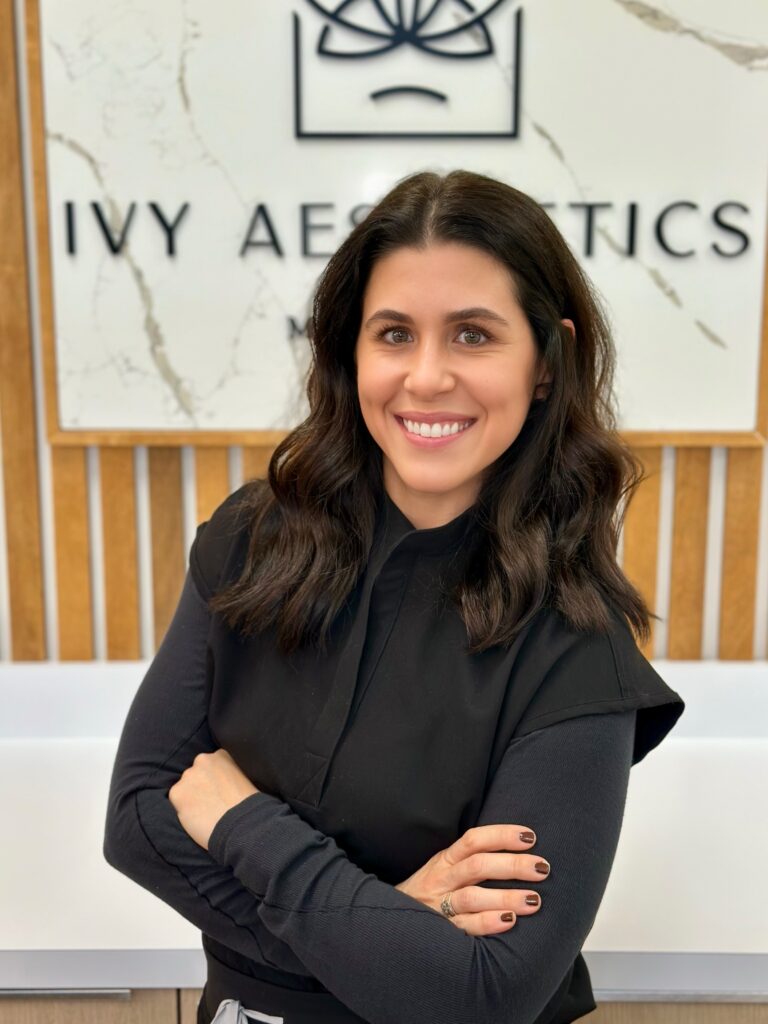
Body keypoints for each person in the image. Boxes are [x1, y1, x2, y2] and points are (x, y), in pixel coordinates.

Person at [103, 169, 685, 1024]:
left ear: (547, 364)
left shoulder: (577, 646)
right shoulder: (248, 541)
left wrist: (242, 822)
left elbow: (484, 995)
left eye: (474, 336)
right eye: (394, 333)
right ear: (350, 350)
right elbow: (134, 823)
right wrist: (390, 928)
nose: (426, 377)